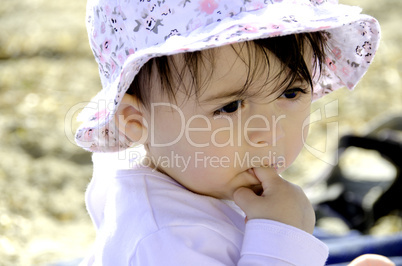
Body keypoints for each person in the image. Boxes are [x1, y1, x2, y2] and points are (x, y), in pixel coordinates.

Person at [74, 0, 382, 265]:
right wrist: (282, 243)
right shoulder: (166, 240)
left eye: (290, 93)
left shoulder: (188, 173)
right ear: (137, 122)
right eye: (231, 106)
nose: (269, 132)